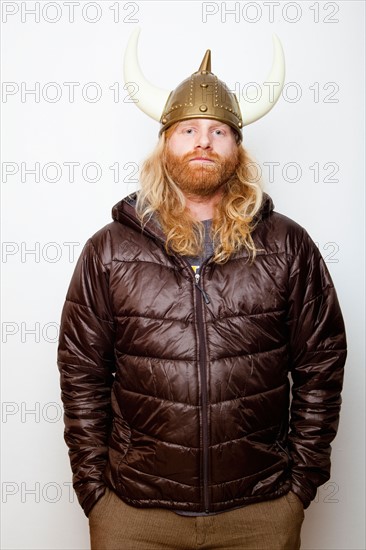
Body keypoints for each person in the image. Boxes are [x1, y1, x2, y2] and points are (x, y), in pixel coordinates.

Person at [57, 29, 347, 550]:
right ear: (166, 143)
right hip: (134, 513)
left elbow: (321, 365)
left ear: (237, 147)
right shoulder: (109, 250)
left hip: (259, 511)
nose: (203, 141)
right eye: (188, 129)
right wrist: (95, 491)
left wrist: (299, 488)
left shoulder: (288, 246)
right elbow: (81, 372)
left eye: (218, 131)